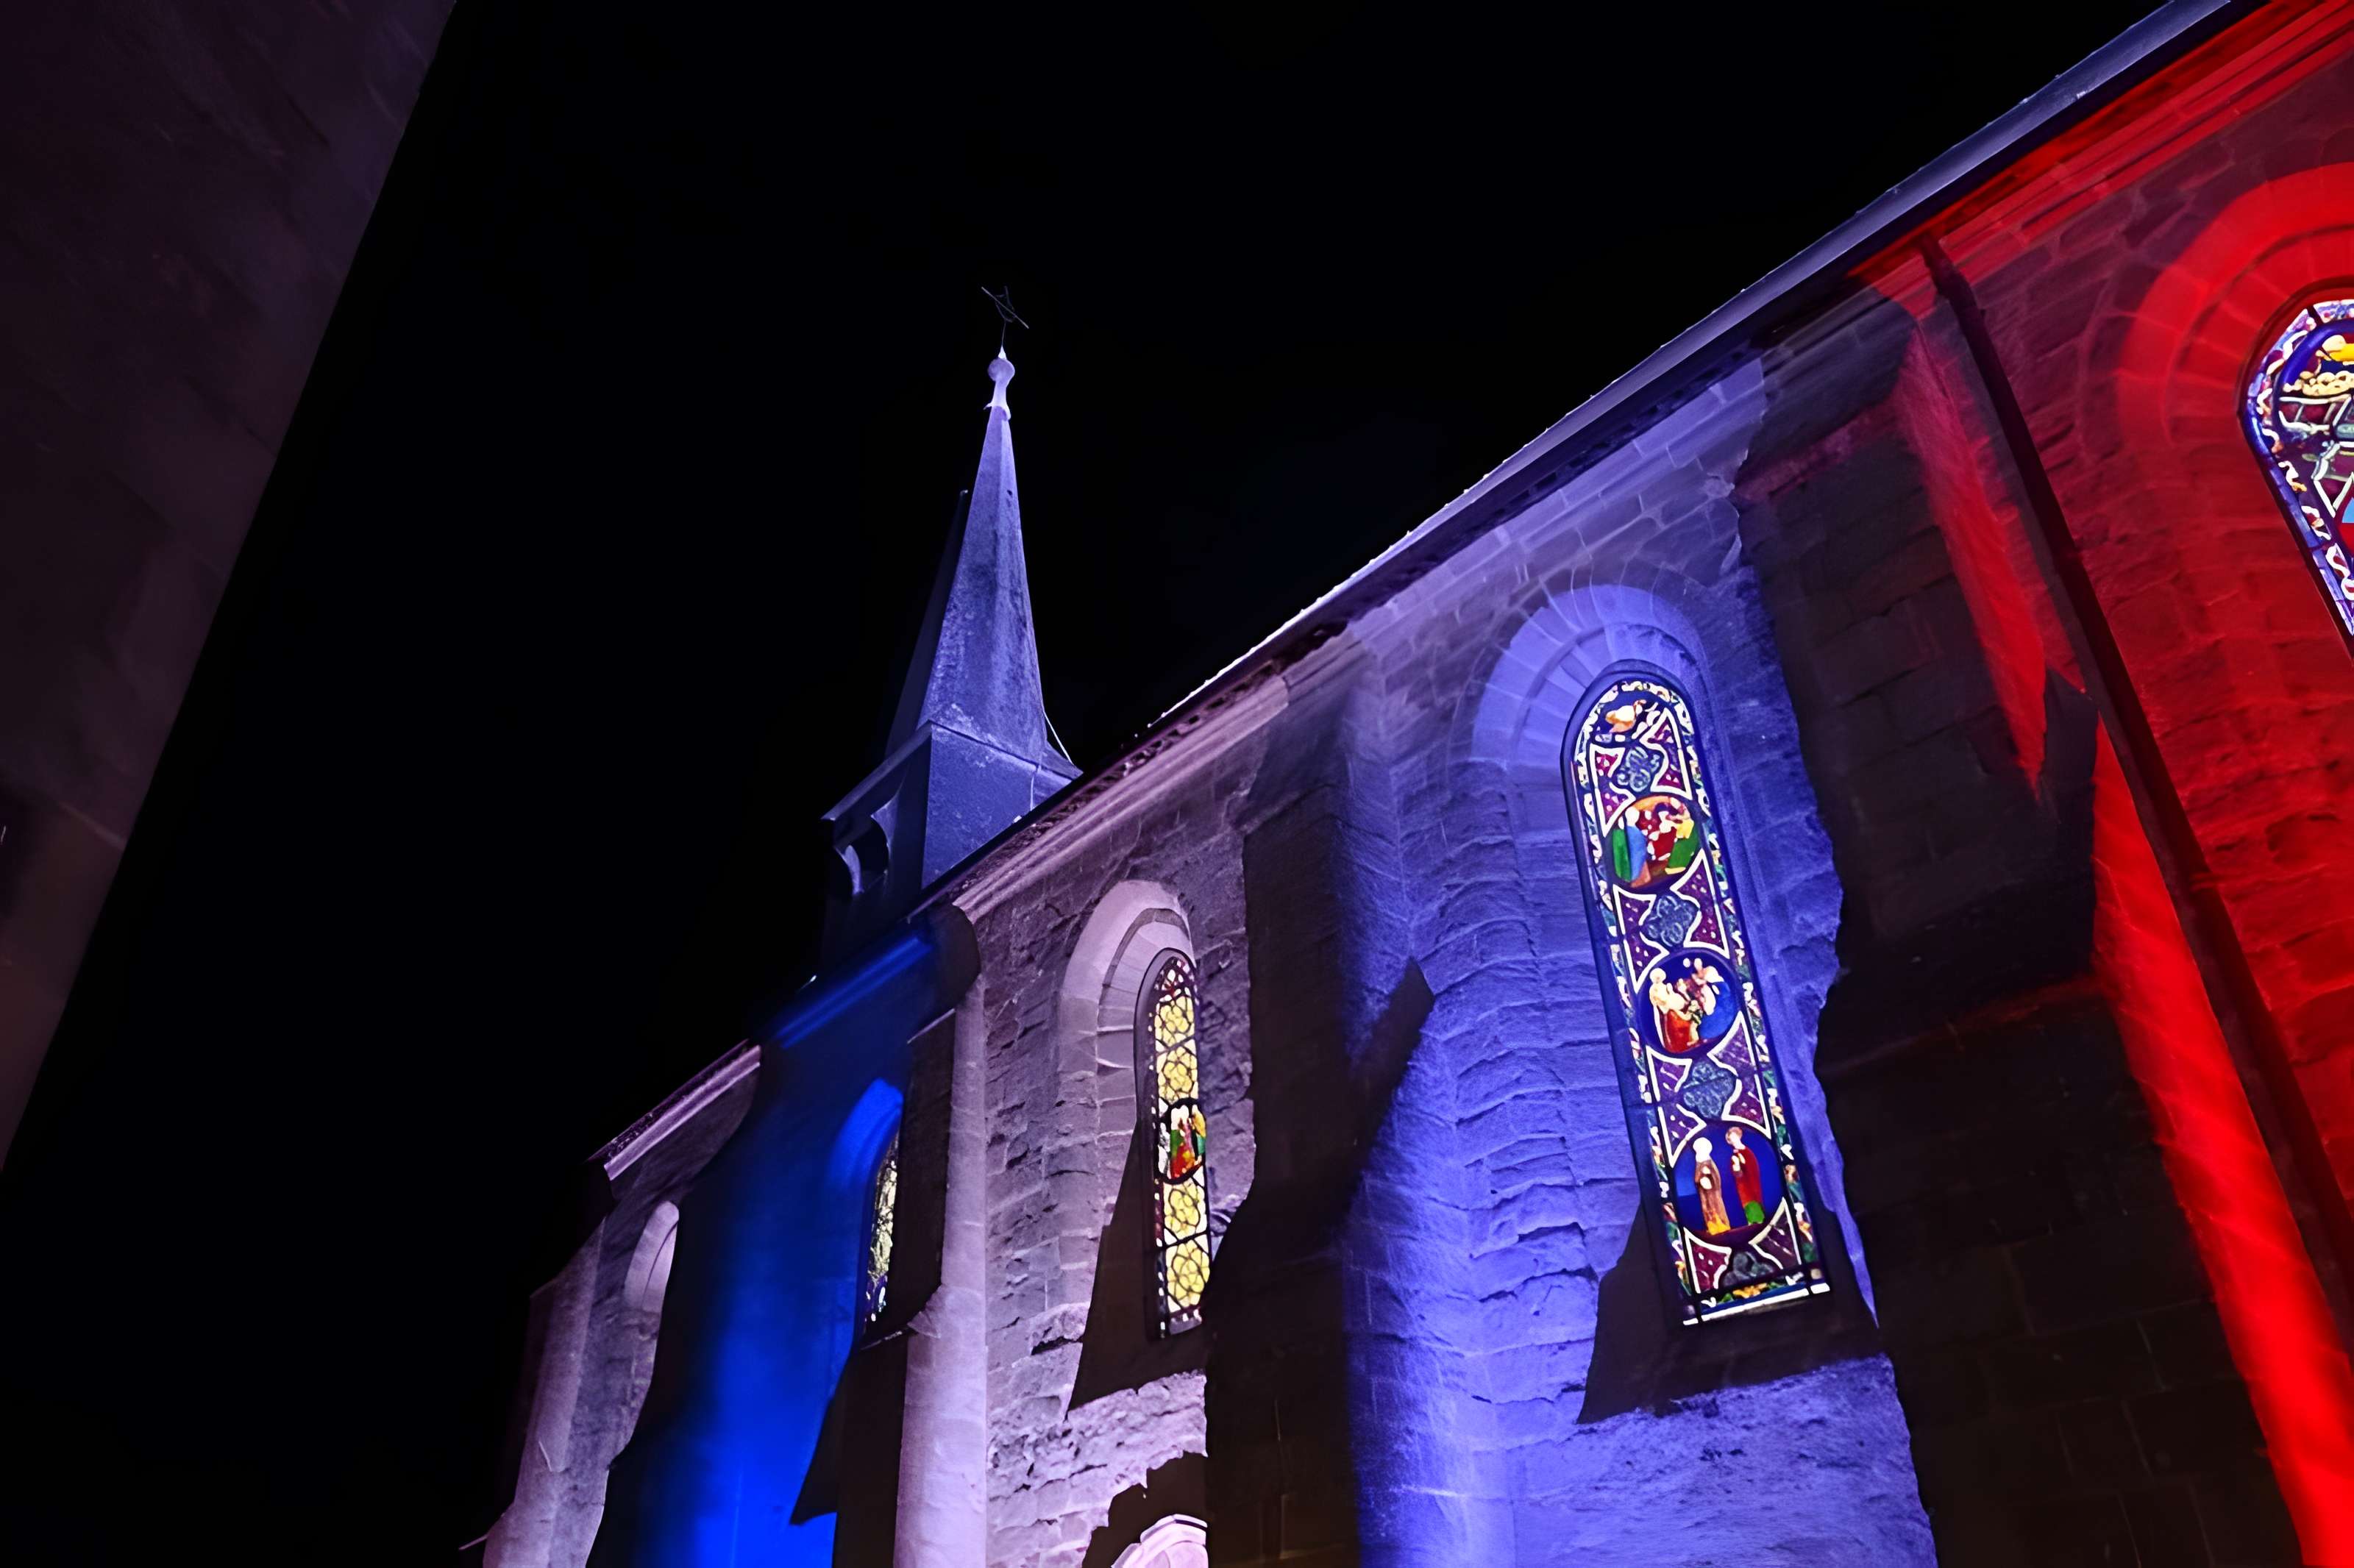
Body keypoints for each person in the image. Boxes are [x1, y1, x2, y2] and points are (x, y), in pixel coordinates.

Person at [1726, 1125, 1766, 1227]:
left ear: (1739, 1136)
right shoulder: (1735, 1156)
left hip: (1754, 1183)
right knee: (1750, 1204)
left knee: (1757, 1201)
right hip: (1745, 1187)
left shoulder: (1747, 1151)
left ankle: (1760, 1222)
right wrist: (1737, 1167)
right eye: (1731, 1139)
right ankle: (1754, 1223)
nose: (1734, 1140)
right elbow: (1738, 1174)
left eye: (1735, 1137)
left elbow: (1753, 1167)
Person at [1691, 1137, 1732, 1237]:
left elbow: (1716, 1178)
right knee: (1708, 1211)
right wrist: (1701, 1179)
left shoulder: (1709, 1163)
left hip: (1713, 1194)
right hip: (1705, 1195)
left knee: (1716, 1208)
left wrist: (1708, 1176)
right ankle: (1713, 1228)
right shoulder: (1699, 1164)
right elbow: (1697, 1179)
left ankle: (1722, 1227)